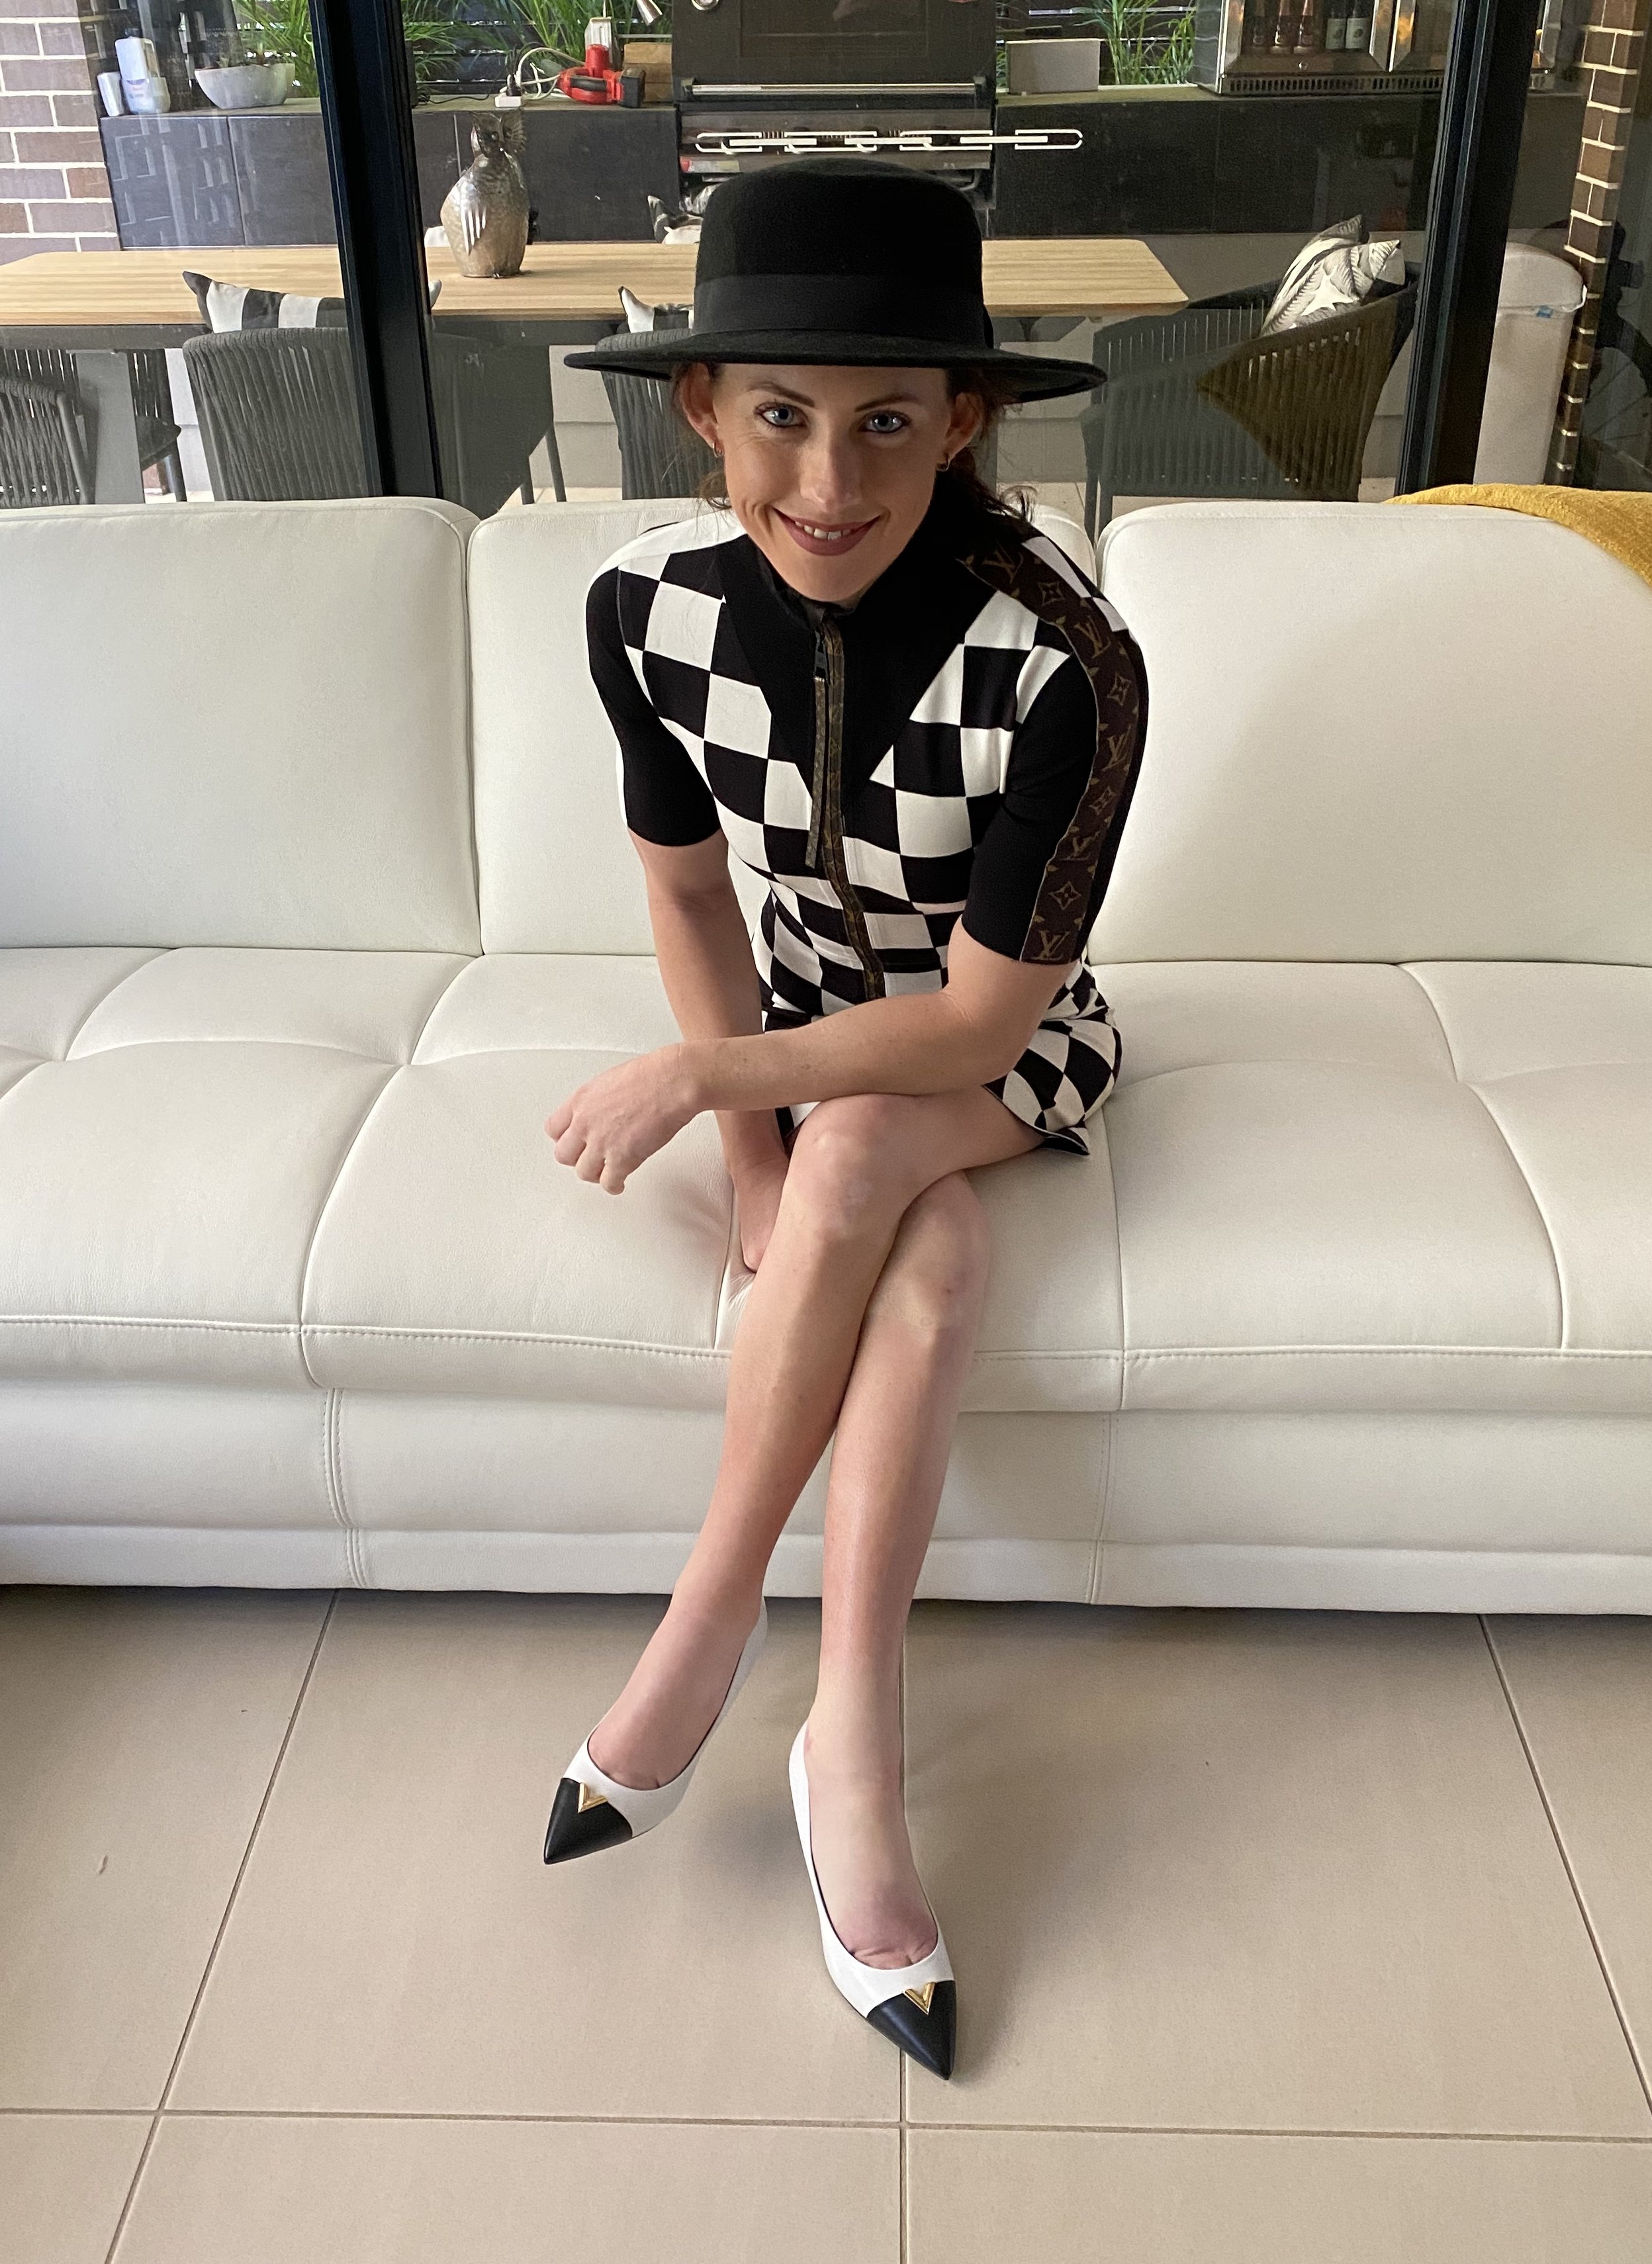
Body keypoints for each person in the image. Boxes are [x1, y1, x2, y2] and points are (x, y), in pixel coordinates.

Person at [541, 159, 1147, 2082]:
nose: (827, 478)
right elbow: (688, 893)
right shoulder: (642, 609)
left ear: (962, 420)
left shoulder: (1069, 660)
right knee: (921, 1245)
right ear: (699, 406)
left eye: (888, 419)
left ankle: (713, 1633)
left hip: (1009, 1044)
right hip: (810, 1034)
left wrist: (705, 1085)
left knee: (886, 1145)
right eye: (781, 414)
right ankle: (843, 1744)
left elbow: (977, 1019)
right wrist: (751, 1165)